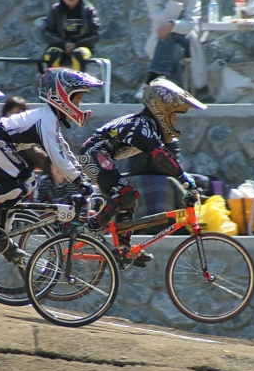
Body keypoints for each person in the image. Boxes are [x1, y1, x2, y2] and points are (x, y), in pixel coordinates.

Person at [0, 68, 99, 262]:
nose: (79, 105)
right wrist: (78, 180)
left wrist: (82, 176)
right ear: (62, 97)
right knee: (25, 181)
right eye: (77, 100)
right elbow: (56, 156)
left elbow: (64, 150)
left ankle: (1, 237)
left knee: (18, 190)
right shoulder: (45, 119)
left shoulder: (50, 119)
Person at [80, 78, 204, 267]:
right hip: (93, 154)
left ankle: (123, 249)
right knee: (125, 194)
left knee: (131, 197)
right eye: (174, 115)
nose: (176, 120)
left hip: (100, 155)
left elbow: (163, 155)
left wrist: (182, 176)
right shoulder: (141, 127)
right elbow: (161, 157)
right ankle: (90, 230)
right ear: (162, 110)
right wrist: (184, 178)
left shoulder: (147, 126)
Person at [143, 0, 207, 90]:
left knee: (170, 33)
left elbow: (190, 23)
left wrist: (172, 25)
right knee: (175, 50)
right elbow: (160, 21)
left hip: (187, 37)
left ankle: (154, 73)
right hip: (160, 40)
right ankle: (176, 90)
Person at [42, 0, 101, 73]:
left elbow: (96, 33)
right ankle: (55, 87)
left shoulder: (88, 10)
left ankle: (77, 87)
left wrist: (76, 44)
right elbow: (46, 32)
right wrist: (63, 44)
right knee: (53, 54)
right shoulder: (56, 10)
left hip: (82, 47)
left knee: (79, 54)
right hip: (59, 46)